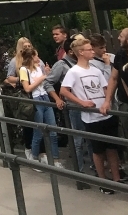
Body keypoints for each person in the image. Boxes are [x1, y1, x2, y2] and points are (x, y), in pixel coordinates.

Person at [61, 36, 122, 193]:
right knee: (98, 150)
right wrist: (81, 102)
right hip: (92, 117)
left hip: (106, 113)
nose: (92, 51)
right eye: (89, 49)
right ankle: (103, 182)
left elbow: (105, 87)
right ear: (81, 52)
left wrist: (107, 102)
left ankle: (117, 180)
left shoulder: (95, 70)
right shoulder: (74, 71)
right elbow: (63, 90)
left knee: (112, 148)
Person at [48, 35, 92, 174]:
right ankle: (79, 172)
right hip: (74, 107)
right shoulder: (62, 65)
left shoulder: (85, 63)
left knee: (91, 137)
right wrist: (57, 99)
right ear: (73, 51)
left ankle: (94, 167)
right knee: (78, 139)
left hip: (88, 105)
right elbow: (48, 83)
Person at [18, 42, 62, 166]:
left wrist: (47, 74)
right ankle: (34, 157)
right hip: (35, 100)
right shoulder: (23, 70)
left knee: (52, 130)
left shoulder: (39, 68)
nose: (38, 58)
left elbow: (45, 81)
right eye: (36, 56)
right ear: (31, 57)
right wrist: (41, 78)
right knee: (38, 131)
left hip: (45, 97)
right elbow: (27, 88)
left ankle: (56, 158)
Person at [104, 28, 128, 177]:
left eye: (121, 37)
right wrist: (107, 101)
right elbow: (114, 78)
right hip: (126, 103)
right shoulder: (120, 55)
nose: (119, 39)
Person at [5, 37, 36, 157]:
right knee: (28, 123)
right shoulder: (15, 61)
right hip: (24, 93)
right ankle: (29, 148)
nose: (27, 48)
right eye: (24, 46)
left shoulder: (35, 58)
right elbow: (9, 77)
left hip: (37, 93)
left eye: (29, 46)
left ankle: (40, 151)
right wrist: (23, 78)